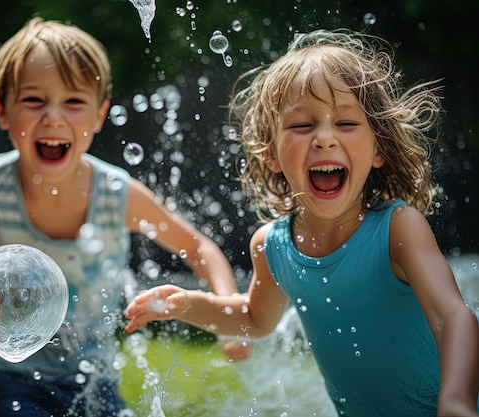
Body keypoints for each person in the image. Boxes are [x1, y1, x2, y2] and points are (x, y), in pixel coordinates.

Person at [0, 17, 247, 417]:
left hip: (91, 378)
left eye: (74, 102)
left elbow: (198, 247)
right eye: (33, 101)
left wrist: (228, 312)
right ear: (1, 109)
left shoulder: (116, 194)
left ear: (98, 115)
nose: (54, 117)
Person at [125, 28, 479, 417]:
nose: (324, 139)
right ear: (271, 154)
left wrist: (456, 401)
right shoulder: (272, 246)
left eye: (346, 124)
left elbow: (453, 317)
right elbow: (254, 319)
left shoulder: (397, 229)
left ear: (378, 149)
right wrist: (187, 304)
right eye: (301, 126)